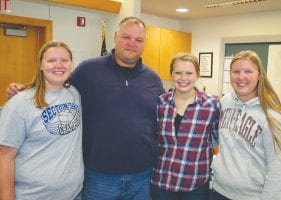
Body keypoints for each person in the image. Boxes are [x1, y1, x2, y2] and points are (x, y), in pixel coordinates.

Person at [6, 16, 164, 200]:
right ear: (115, 36)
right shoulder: (88, 70)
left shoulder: (153, 79)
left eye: (139, 40)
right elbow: (56, 83)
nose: (132, 44)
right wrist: (23, 90)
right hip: (99, 177)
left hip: (142, 176)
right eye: (126, 37)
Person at [0, 40, 84, 199]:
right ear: (40, 65)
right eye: (51, 60)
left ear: (71, 64)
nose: (59, 65)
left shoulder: (74, 94)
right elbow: (5, 157)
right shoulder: (20, 103)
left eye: (64, 60)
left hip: (73, 195)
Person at [211, 50, 281, 200]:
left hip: (251, 196)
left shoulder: (273, 116)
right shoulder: (225, 102)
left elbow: (279, 169)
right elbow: (214, 138)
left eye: (248, 71)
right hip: (218, 191)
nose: (241, 77)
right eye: (236, 71)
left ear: (260, 75)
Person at [151, 53, 221, 200]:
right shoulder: (160, 103)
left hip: (195, 184)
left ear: (197, 75)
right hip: (162, 183)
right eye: (178, 73)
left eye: (189, 73)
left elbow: (218, 140)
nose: (183, 78)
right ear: (171, 74)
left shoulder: (211, 105)